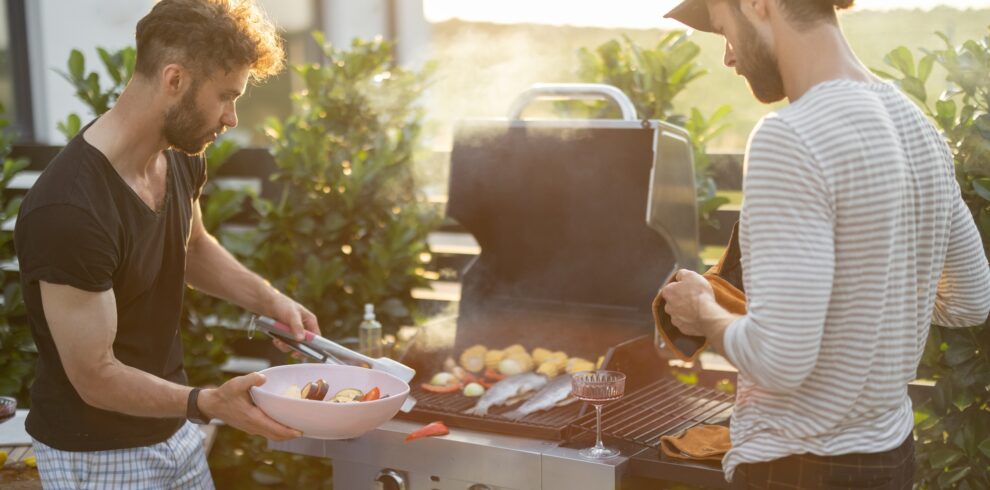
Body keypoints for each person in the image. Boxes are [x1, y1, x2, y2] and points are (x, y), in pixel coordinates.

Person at [659, 0, 990, 487]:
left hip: (801, 467)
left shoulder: (791, 137)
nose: (728, 57)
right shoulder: (922, 131)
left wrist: (703, 312)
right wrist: (871, 302)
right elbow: (970, 300)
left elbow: (780, 360)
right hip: (890, 460)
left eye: (723, 29)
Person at [13, 1, 320, 487]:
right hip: (97, 457)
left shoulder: (177, 155)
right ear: (174, 79)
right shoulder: (69, 212)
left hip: (173, 428)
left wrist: (272, 301)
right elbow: (95, 375)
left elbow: (192, 247)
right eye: (225, 96)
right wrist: (205, 401)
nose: (232, 117)